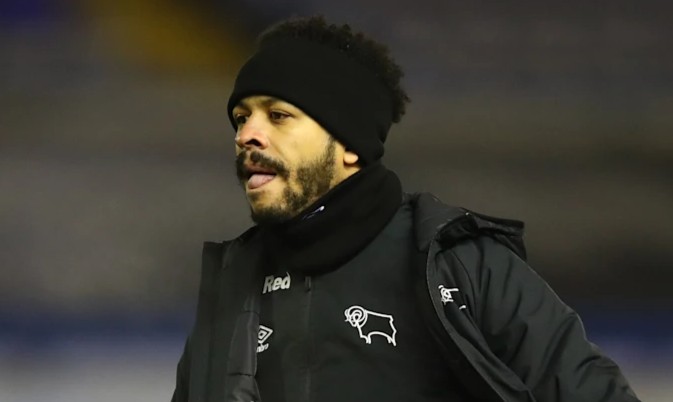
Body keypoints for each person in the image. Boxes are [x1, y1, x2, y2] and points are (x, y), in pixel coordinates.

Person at [171, 15, 640, 402]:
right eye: (241, 118)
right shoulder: (233, 287)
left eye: (278, 116)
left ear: (349, 145)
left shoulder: (458, 266)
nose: (246, 135)